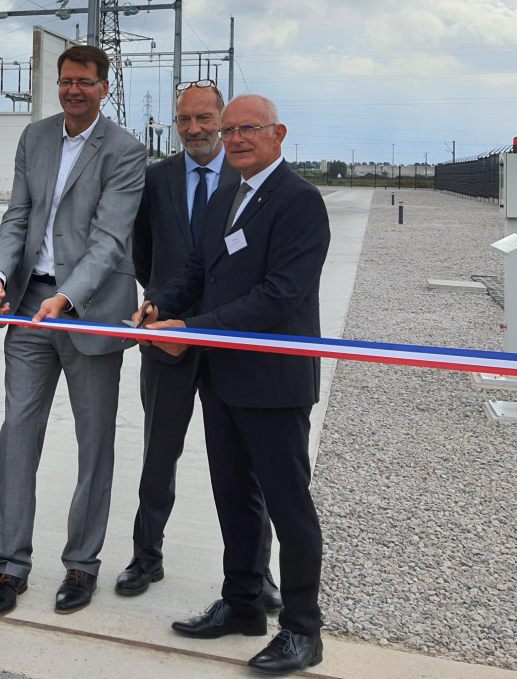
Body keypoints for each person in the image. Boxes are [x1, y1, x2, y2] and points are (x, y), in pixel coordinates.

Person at [140, 94, 330, 675]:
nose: (236, 139)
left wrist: (189, 329)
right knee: (234, 496)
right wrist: (157, 307)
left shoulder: (299, 201)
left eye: (249, 129)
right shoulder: (230, 193)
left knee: (288, 505)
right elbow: (198, 268)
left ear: (279, 132)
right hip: (224, 377)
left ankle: (302, 628)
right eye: (230, 131)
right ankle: (243, 602)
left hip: (272, 380)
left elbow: (279, 297)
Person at [0, 45, 146, 616]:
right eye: (65, 81)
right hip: (30, 306)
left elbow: (110, 241)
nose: (73, 89)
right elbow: (18, 216)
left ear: (105, 86)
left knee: (94, 445)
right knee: (16, 436)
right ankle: (11, 566)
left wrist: (67, 295)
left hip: (90, 310)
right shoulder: (37, 138)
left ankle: (82, 564)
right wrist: (0, 273)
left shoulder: (125, 151)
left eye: (84, 81)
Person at [117, 82, 282, 614]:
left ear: (226, 119)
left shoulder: (250, 175)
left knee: (245, 468)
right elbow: (144, 255)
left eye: (206, 118)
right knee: (158, 455)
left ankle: (258, 574)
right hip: (167, 340)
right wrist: (162, 308)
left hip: (232, 341)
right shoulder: (156, 178)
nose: (195, 129)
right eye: (184, 119)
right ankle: (147, 555)